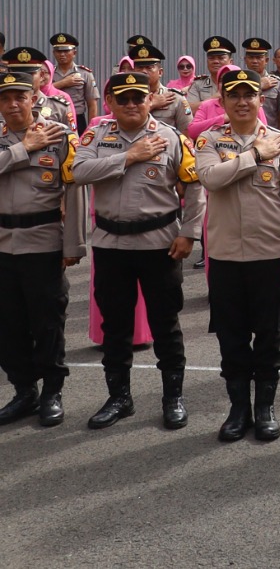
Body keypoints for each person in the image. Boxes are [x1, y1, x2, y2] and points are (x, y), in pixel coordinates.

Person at [74, 71, 205, 431]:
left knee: (166, 324)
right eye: (123, 98)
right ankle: (119, 398)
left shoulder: (171, 137)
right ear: (110, 102)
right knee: (115, 325)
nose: (131, 104)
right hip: (111, 244)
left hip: (159, 244)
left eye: (138, 97)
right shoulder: (96, 134)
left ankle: (172, 397)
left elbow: (194, 189)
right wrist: (129, 157)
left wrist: (190, 234)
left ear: (150, 100)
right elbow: (78, 171)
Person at [193, 68, 280, 442]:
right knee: (231, 336)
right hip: (226, 258)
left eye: (249, 95)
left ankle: (265, 407)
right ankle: (238, 408)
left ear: (260, 100)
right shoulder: (209, 141)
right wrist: (254, 154)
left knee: (270, 335)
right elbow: (210, 178)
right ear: (223, 102)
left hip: (270, 256)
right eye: (234, 96)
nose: (242, 102)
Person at [0, 67, 85, 428]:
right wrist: (23, 149)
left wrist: (74, 244)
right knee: (7, 325)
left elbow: (75, 191)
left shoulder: (59, 136)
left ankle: (52, 390)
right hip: (3, 245)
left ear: (35, 98)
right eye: (5, 98)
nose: (13, 104)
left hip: (44, 241)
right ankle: (24, 390)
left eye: (20, 96)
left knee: (47, 322)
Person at [132, 45, 194, 136]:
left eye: (149, 67)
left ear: (160, 72)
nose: (144, 71)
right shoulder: (125, 99)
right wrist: (151, 104)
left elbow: (187, 134)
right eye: (139, 68)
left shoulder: (175, 98)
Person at [46, 33, 98, 132]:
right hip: (53, 119)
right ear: (53, 52)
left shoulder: (85, 73)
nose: (62, 54)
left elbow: (92, 104)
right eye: (58, 51)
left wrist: (91, 129)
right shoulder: (48, 73)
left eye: (66, 51)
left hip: (77, 119)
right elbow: (42, 92)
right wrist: (63, 83)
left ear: (74, 53)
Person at [241, 38, 280, 134]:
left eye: (259, 57)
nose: (255, 61)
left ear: (266, 60)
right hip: (242, 135)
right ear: (245, 60)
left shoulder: (277, 83)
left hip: (269, 135)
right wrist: (259, 85)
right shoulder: (237, 83)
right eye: (251, 57)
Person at [185, 36, 236, 111]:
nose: (215, 61)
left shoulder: (238, 83)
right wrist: (214, 98)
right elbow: (188, 110)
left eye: (221, 58)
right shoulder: (198, 84)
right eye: (211, 58)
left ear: (231, 62)